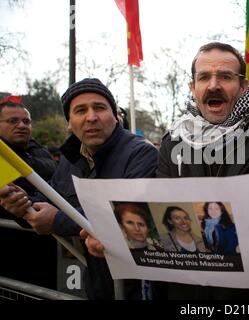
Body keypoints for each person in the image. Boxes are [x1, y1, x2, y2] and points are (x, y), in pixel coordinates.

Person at [83, 42, 249, 300]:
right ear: (193, 88)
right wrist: (112, 238)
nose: (214, 85)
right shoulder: (173, 141)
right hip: (183, 292)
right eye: (204, 77)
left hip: (247, 294)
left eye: (225, 76)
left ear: (244, 86)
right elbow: (157, 212)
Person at [0, 78, 159, 300]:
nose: (91, 117)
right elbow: (52, 200)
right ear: (69, 122)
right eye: (80, 110)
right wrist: (21, 204)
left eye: (100, 108)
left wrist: (57, 221)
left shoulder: (142, 153)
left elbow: (130, 214)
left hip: (140, 287)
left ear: (115, 115)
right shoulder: (69, 161)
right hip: (97, 283)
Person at [0, 95, 58, 289]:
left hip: (49, 242)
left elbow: (56, 179)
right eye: (12, 121)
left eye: (26, 121)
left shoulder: (38, 149)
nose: (22, 125)